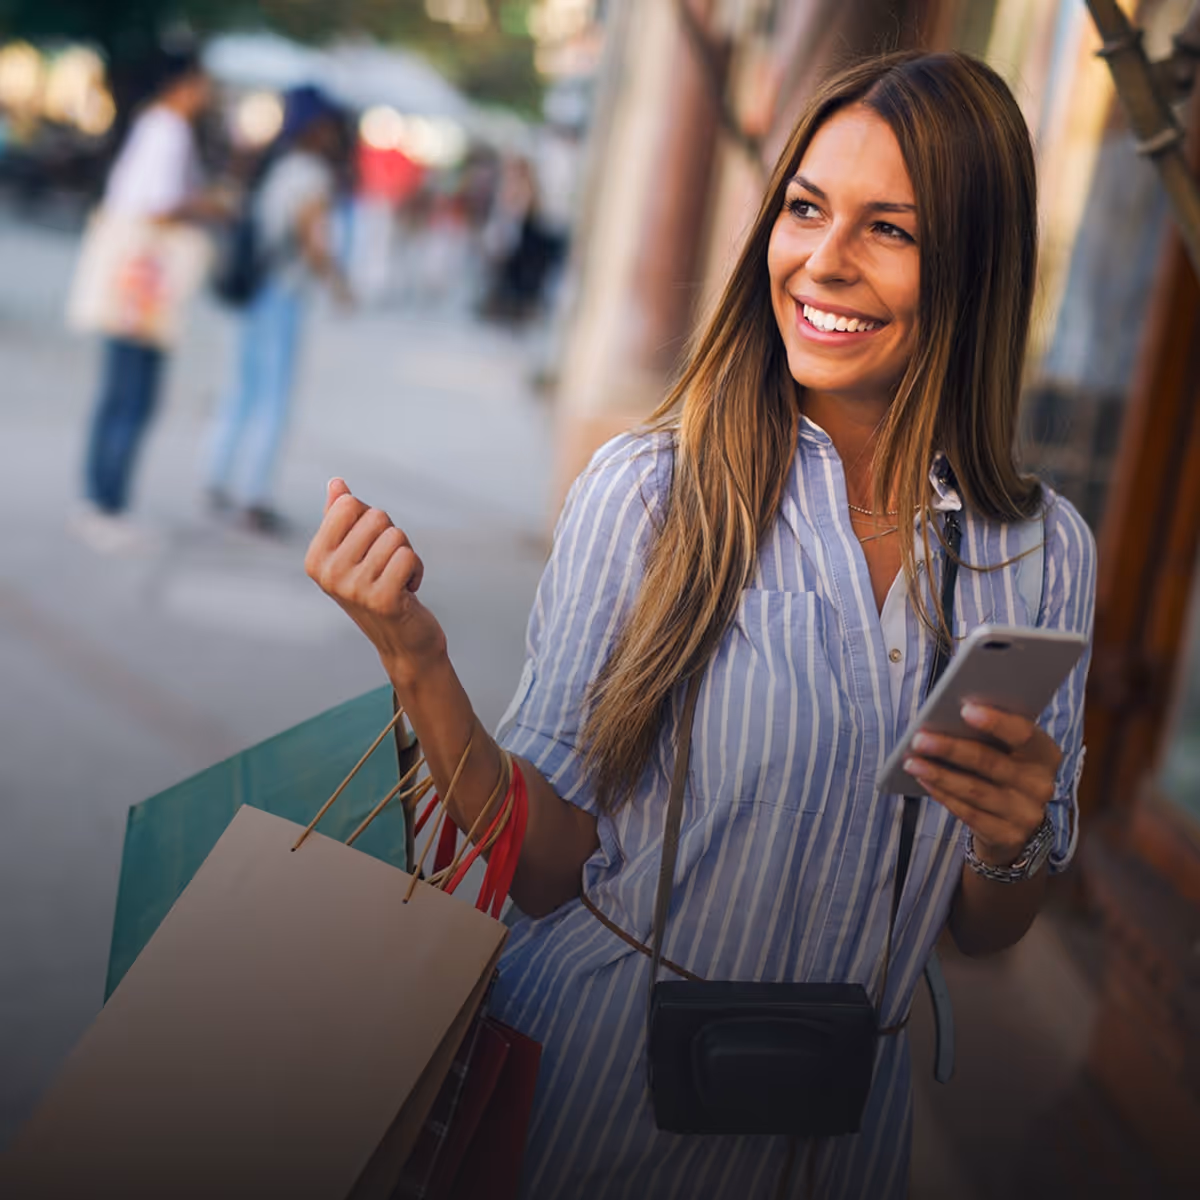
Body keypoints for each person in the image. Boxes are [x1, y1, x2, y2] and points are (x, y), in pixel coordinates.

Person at [305, 52, 1097, 1199]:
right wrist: (416, 661)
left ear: (978, 266)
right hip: (597, 1110)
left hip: (843, 1137)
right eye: (807, 208)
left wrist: (1009, 835)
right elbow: (542, 870)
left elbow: (987, 932)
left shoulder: (1041, 550)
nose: (822, 262)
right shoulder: (652, 493)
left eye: (891, 230)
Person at [75, 48, 216, 553]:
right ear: (186, 84)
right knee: (131, 396)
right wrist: (206, 205)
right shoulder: (169, 131)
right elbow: (155, 208)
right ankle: (105, 504)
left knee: (120, 394)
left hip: (133, 280)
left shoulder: (153, 126)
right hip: (143, 284)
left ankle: (101, 499)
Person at [204, 84, 352, 536]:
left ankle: (216, 475)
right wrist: (340, 284)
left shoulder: (278, 164)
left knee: (242, 389)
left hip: (254, 291)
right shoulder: (310, 174)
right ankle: (255, 496)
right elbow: (314, 240)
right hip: (282, 295)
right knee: (273, 398)